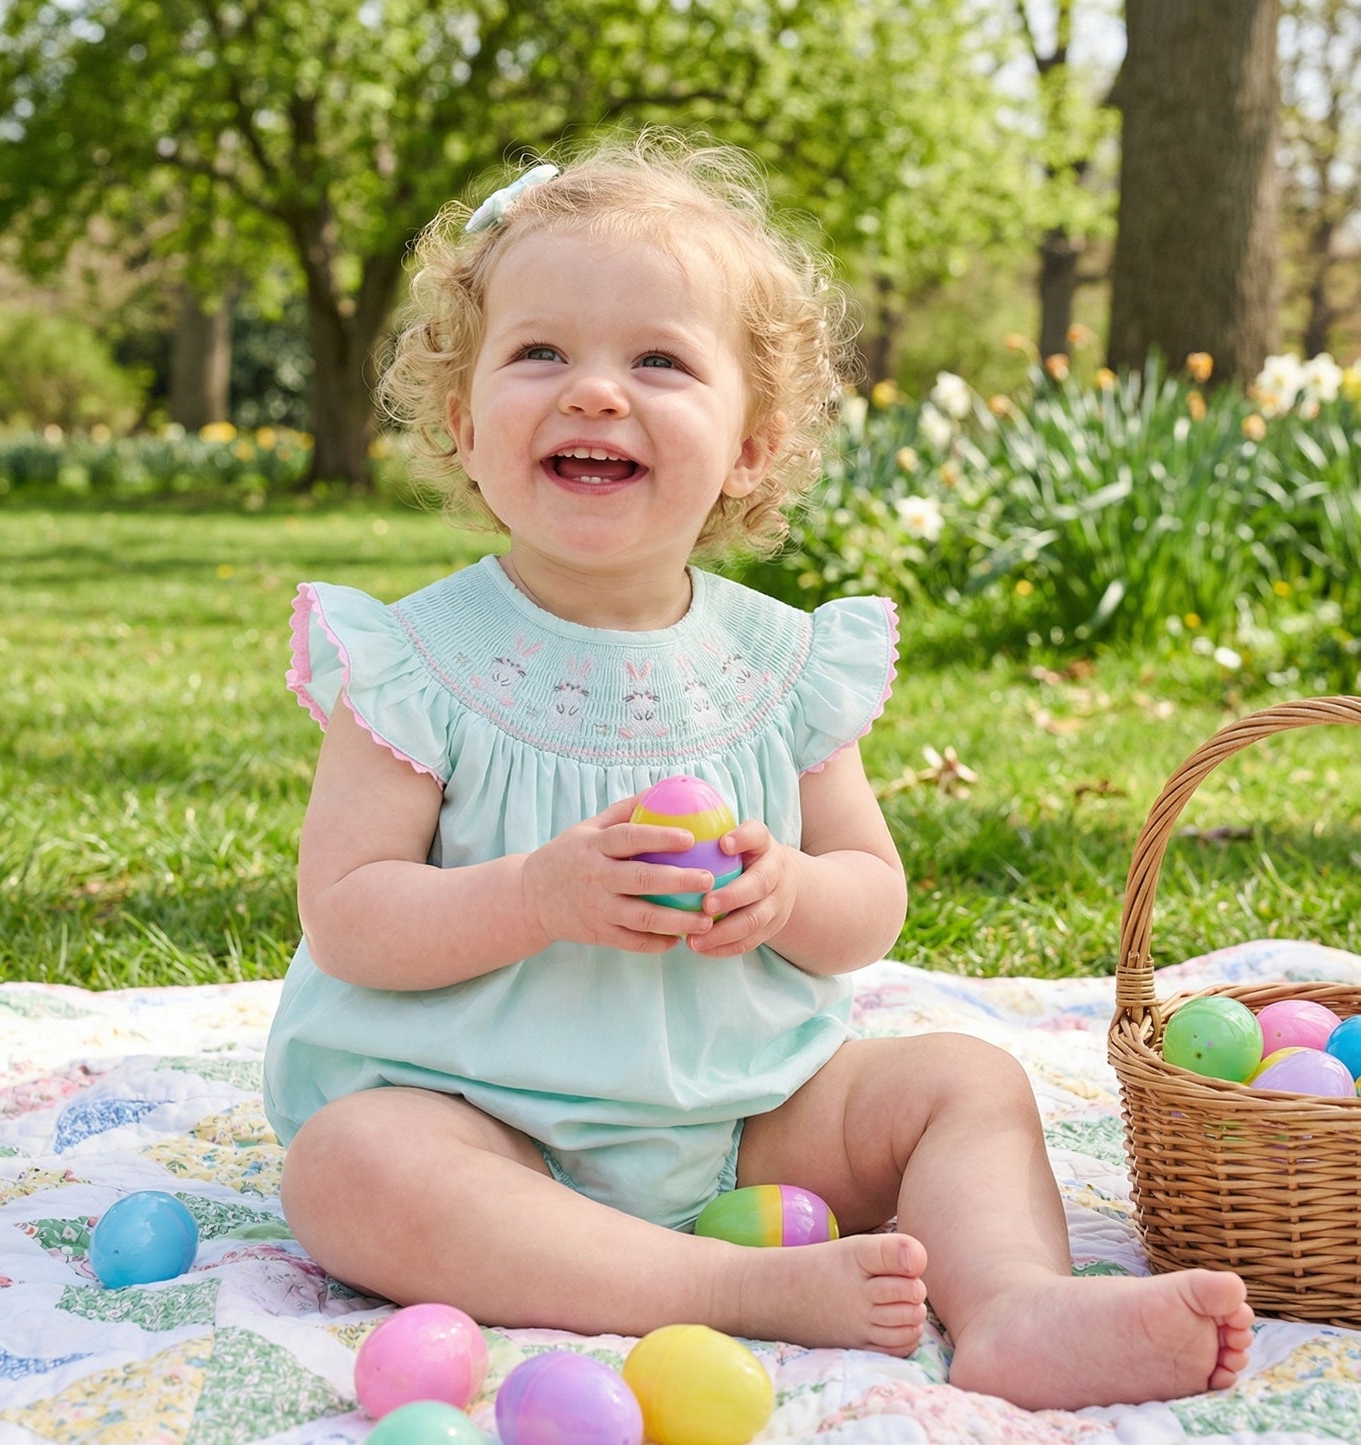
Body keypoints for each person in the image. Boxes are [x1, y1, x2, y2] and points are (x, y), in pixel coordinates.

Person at [263, 131, 1252, 1412]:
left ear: (750, 445)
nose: (594, 393)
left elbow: (868, 899)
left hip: (741, 1114)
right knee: (349, 1168)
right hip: (477, 1117)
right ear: (463, 423)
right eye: (538, 352)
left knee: (964, 1079)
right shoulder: (413, 660)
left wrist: (788, 893)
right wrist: (540, 895)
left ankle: (1011, 1301)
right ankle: (724, 1286)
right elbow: (348, 916)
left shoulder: (778, 664)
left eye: (659, 360)